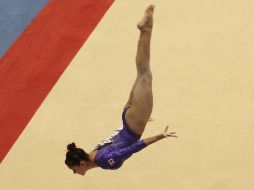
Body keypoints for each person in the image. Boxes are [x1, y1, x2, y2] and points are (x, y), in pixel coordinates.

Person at [65, 5, 177, 176]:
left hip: (133, 125)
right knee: (142, 72)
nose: (74, 172)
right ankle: (146, 28)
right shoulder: (93, 152)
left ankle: (145, 29)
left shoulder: (103, 161)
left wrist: (159, 136)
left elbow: (133, 147)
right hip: (127, 118)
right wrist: (138, 116)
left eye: (73, 169)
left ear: (81, 164)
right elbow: (116, 138)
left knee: (145, 73)